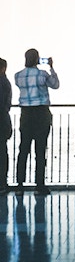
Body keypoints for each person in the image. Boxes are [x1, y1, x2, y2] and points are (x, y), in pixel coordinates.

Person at [15, 49, 60, 195]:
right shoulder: (42, 74)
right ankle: (39, 185)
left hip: (26, 114)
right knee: (40, 151)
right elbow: (55, 85)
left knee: (23, 149)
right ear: (37, 59)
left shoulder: (18, 76)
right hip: (41, 114)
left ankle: (20, 185)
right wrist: (52, 67)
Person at [0, 58, 12, 195]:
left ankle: (2, 182)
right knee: (3, 152)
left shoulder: (2, 83)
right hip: (4, 121)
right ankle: (3, 182)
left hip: (2, 121)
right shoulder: (5, 82)